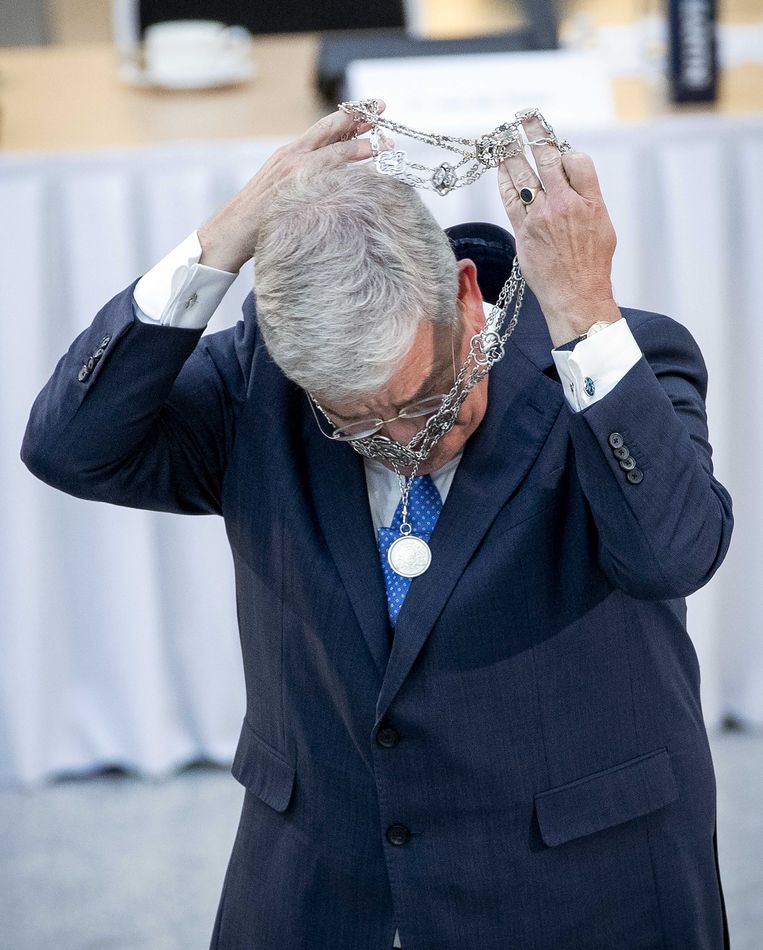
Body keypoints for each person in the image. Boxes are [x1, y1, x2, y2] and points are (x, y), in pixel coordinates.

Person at [21, 104, 733, 950]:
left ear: (467, 294)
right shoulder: (261, 387)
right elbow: (70, 448)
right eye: (355, 422)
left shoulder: (624, 361)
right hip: (324, 891)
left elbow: (674, 553)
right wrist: (227, 233)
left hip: (583, 892)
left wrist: (581, 304)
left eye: (424, 400)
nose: (403, 444)